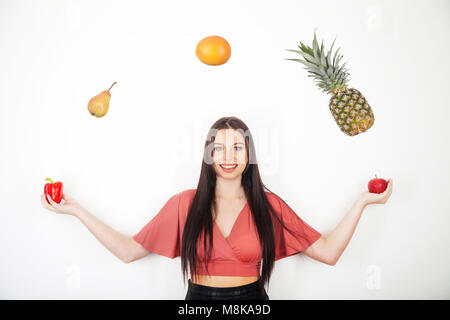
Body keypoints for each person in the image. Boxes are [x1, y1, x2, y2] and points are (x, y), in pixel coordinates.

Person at [41, 116, 393, 300]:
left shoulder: (269, 206)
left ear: (250, 155)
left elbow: (329, 253)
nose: (228, 157)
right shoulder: (184, 204)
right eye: (219, 148)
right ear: (208, 154)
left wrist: (363, 201)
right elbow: (130, 251)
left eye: (237, 148)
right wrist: (77, 210)